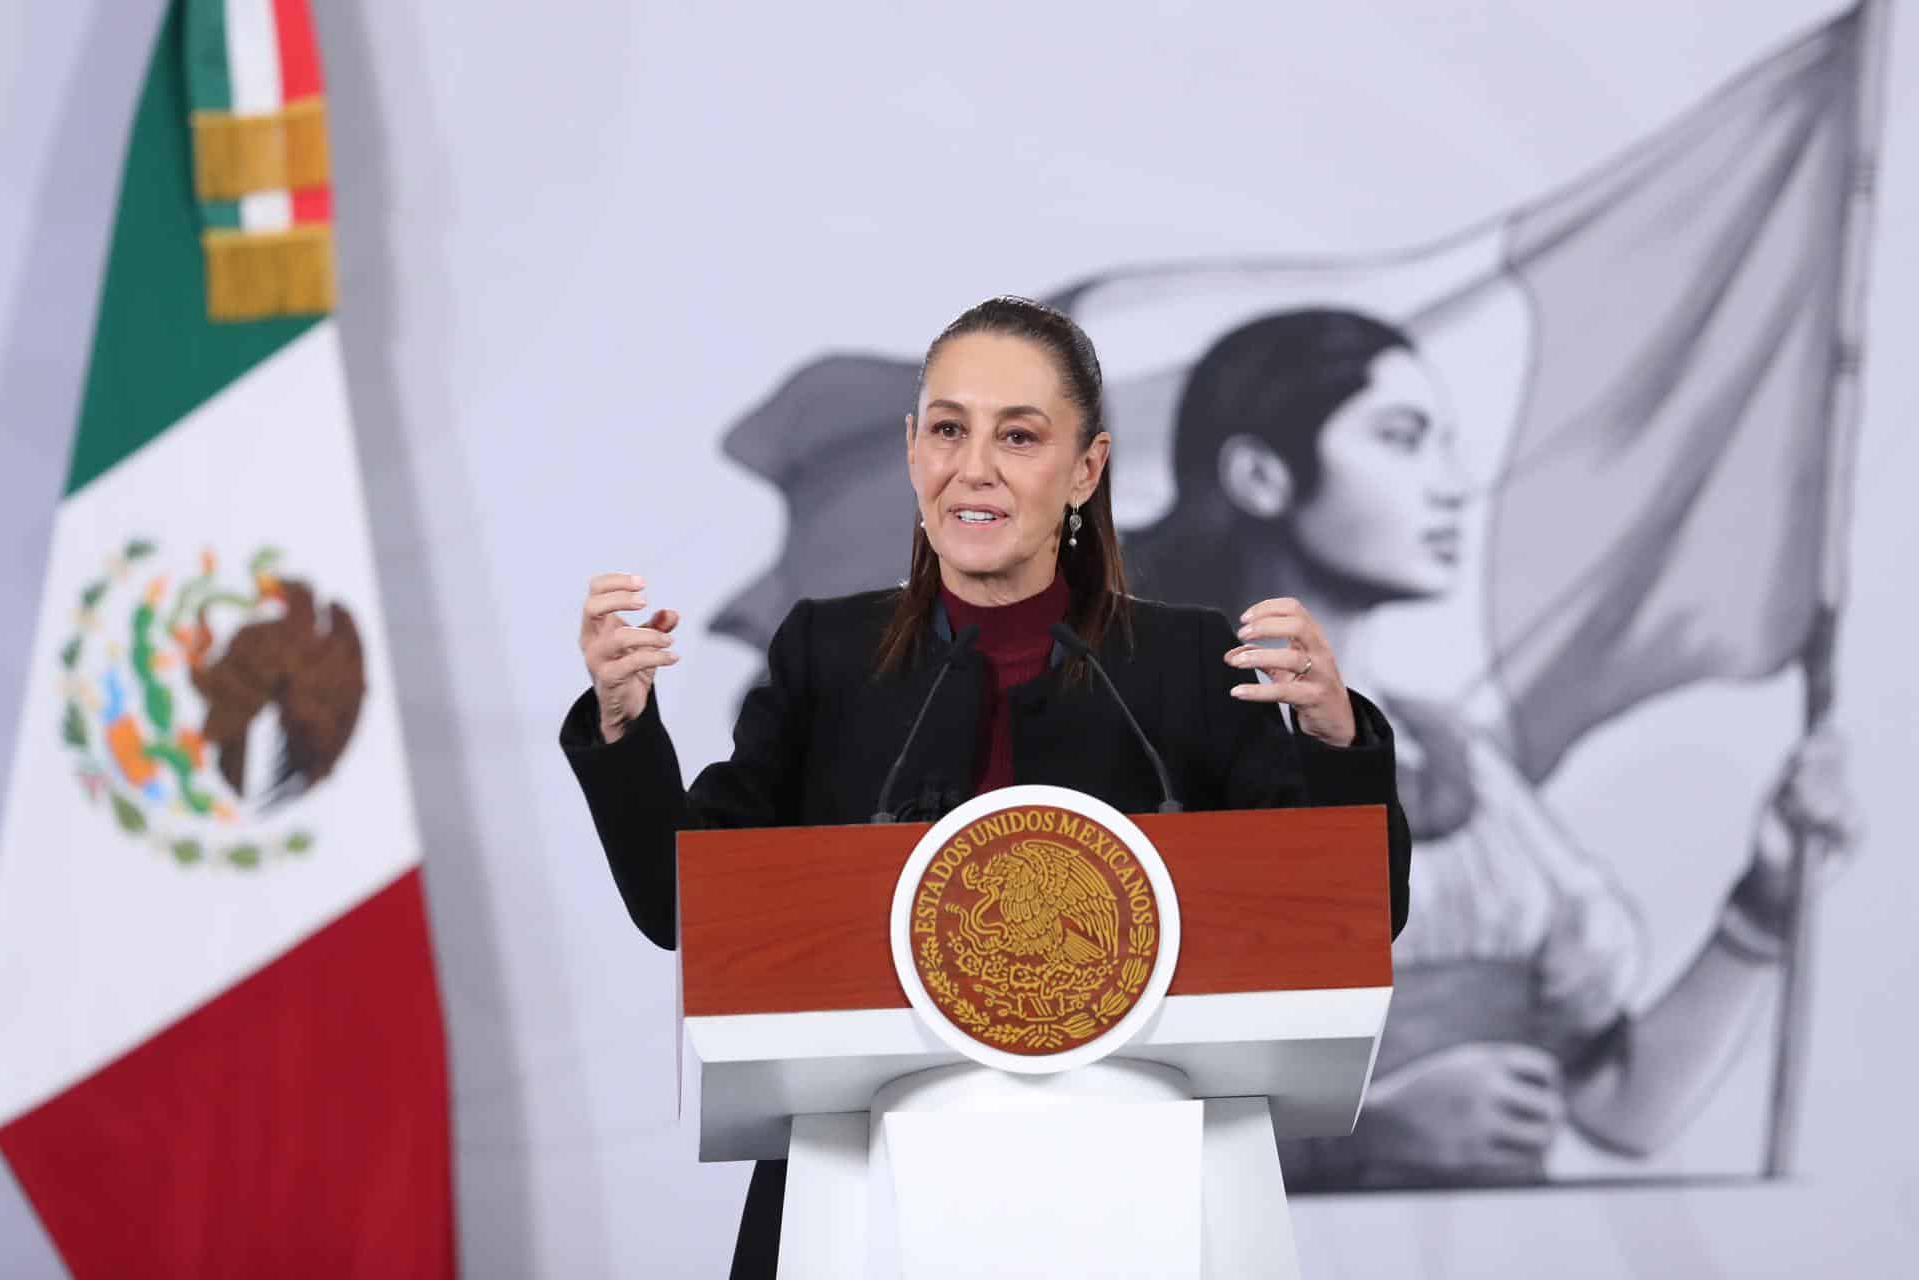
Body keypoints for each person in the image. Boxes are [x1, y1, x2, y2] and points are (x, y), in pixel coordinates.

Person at [559, 296, 1413, 1275]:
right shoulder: (825, 657)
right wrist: (625, 723)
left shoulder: (1185, 662)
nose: (975, 467)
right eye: (948, 429)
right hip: (860, 1196)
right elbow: (686, 904)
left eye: (1018, 434)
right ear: (912, 449)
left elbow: (1354, 917)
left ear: (1086, 468)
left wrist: (1338, 737)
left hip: (1140, 1199)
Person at [1129, 307, 1859, 1187]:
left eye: (1446, 442)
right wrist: (1359, 1141)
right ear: (1260, 474)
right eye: (1402, 439)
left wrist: (1766, 902)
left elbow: (1623, 1108)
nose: (1451, 484)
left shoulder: (1458, 763)